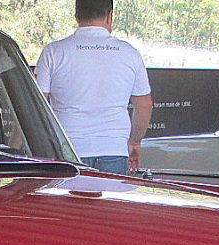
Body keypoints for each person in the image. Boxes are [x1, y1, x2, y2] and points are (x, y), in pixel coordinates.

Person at [35, 0, 152, 175]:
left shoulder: (53, 51)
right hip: (113, 149)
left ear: (76, 16)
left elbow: (37, 105)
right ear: (109, 16)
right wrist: (135, 142)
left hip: (67, 149)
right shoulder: (130, 53)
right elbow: (144, 105)